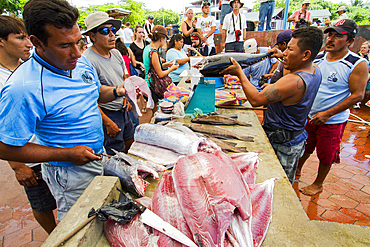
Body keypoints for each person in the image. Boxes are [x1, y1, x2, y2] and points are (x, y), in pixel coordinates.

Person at [0, 0, 128, 221]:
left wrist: (118, 90)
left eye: (79, 42)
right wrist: (67, 154)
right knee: (81, 227)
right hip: (69, 173)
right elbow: (5, 148)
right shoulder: (23, 88)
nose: (77, 53)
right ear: (37, 43)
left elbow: (94, 93)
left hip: (98, 157)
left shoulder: (80, 63)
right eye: (65, 45)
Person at [221, 27, 324, 184]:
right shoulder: (315, 70)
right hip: (295, 136)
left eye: (289, 49)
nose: (284, 53)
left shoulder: (294, 81)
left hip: (283, 144)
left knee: (277, 184)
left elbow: (256, 100)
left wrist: (240, 73)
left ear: (306, 54)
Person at [297, 20, 368, 195]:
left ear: (350, 41)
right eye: (330, 35)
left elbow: (358, 95)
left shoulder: (356, 63)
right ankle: (297, 170)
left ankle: (318, 183)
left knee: (326, 153)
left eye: (338, 36)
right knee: (305, 146)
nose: (331, 39)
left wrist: (328, 114)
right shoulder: (319, 57)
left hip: (332, 120)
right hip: (311, 115)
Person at [0, 15, 57, 234]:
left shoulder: (28, 67)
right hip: (27, 155)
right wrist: (17, 166)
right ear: (1, 41)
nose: (28, 44)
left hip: (51, 147)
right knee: (41, 202)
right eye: (20, 38)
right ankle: (54, 236)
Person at [83, 11, 134, 155]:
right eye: (105, 31)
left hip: (123, 110)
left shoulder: (116, 53)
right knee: (114, 154)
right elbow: (89, 97)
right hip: (107, 113)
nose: (112, 35)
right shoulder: (87, 60)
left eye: (113, 30)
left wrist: (127, 98)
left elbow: (124, 78)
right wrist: (106, 122)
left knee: (130, 143)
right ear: (92, 36)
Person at [143, 25, 179, 116]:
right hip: (153, 86)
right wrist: (172, 69)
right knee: (155, 113)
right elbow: (160, 74)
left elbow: (152, 67)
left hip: (148, 84)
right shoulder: (153, 52)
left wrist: (166, 64)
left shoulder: (147, 49)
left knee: (153, 111)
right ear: (161, 39)